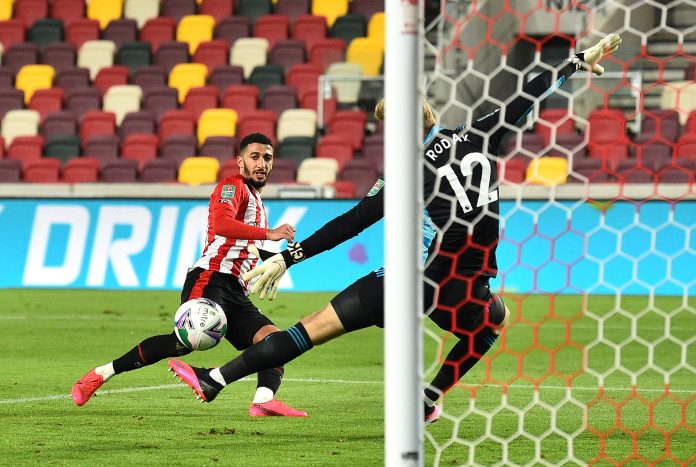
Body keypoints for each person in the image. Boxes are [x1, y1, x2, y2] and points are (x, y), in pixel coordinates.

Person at [167, 35, 622, 421]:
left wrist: (288, 256)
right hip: (466, 282)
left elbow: (353, 222)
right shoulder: (477, 133)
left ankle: (214, 379)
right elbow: (525, 98)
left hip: (412, 281)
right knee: (490, 325)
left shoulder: (406, 170)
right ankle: (428, 398)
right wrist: (575, 62)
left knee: (310, 329)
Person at [71, 132, 308, 417]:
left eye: (267, 158)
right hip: (210, 278)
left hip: (237, 290)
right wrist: (268, 234)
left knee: (275, 341)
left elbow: (246, 249)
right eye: (254, 156)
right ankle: (99, 374)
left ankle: (263, 400)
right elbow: (222, 223)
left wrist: (280, 262)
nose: (261, 163)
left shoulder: (258, 202)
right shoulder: (232, 186)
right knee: (183, 343)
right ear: (240, 161)